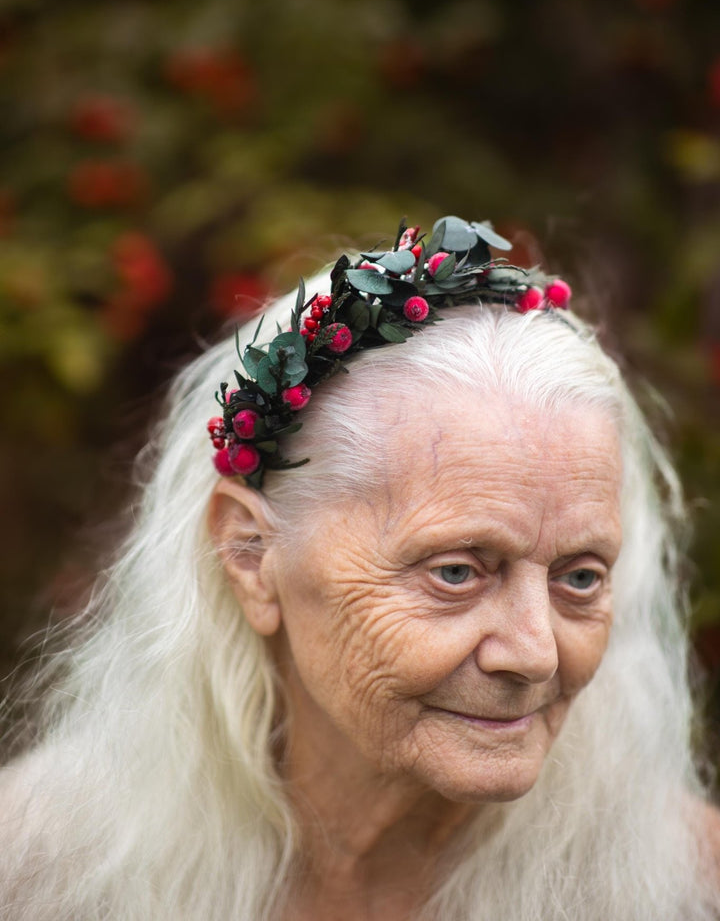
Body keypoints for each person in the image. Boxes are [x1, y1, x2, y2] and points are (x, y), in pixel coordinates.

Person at [1, 215, 719, 921]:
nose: (535, 655)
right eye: (456, 573)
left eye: (580, 578)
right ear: (250, 555)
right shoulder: (38, 874)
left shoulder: (689, 885)